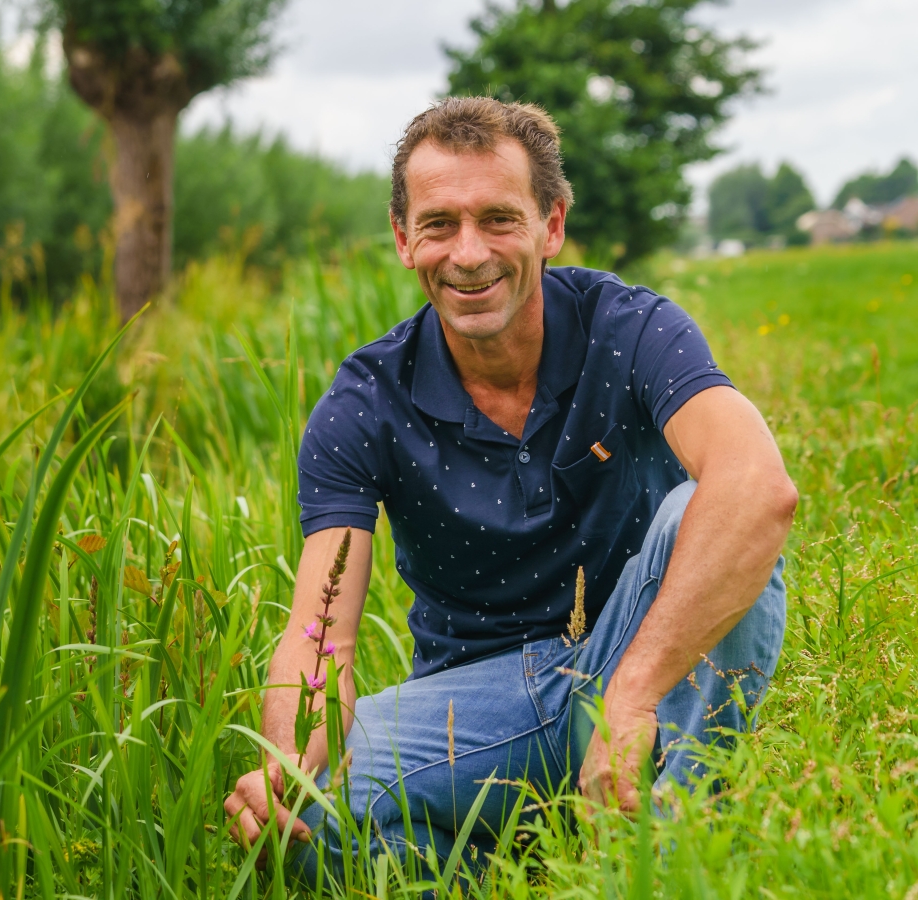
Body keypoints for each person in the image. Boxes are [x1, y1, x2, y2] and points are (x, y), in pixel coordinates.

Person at [221, 97, 796, 882]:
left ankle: (663, 859)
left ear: (549, 226)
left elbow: (760, 488)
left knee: (714, 504)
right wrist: (286, 763)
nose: (468, 253)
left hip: (640, 662)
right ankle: (500, 870)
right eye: (438, 224)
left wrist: (629, 697)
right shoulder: (362, 403)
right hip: (478, 705)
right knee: (298, 821)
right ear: (402, 239)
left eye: (498, 218)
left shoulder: (630, 328)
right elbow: (325, 634)